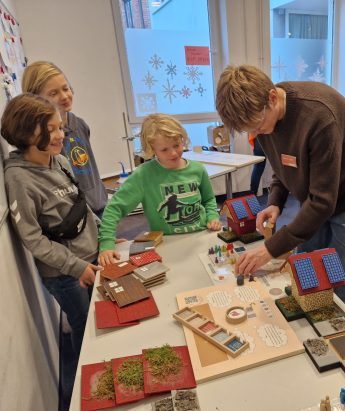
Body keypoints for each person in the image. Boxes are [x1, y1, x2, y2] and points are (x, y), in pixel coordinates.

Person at [216, 65, 345, 316]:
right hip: (314, 196)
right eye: (249, 129)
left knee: (343, 283)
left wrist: (270, 249)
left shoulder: (319, 116)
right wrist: (275, 201)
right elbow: (284, 164)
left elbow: (323, 202)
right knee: (305, 271)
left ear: (272, 97)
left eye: (257, 125)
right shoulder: (263, 117)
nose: (255, 133)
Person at [1, 94, 100, 399]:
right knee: (84, 330)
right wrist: (76, 266)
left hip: (87, 259)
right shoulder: (19, 178)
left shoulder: (59, 160)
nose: (60, 135)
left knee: (96, 322)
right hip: (64, 274)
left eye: (60, 127)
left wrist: (103, 235)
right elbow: (32, 238)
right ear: (26, 133)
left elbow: (80, 205)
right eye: (51, 130)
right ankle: (86, 391)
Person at [98, 113, 221, 265]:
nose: (173, 153)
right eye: (164, 149)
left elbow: (208, 199)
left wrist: (212, 217)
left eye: (177, 145)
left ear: (182, 139)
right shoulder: (144, 174)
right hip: (167, 243)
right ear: (152, 149)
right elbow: (115, 207)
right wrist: (106, 242)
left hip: (201, 237)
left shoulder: (198, 169)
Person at [22, 61, 108, 218]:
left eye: (65, 88)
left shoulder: (80, 124)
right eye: (53, 93)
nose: (64, 96)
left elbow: (88, 167)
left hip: (100, 206)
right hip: (76, 215)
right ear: (35, 100)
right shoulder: (41, 139)